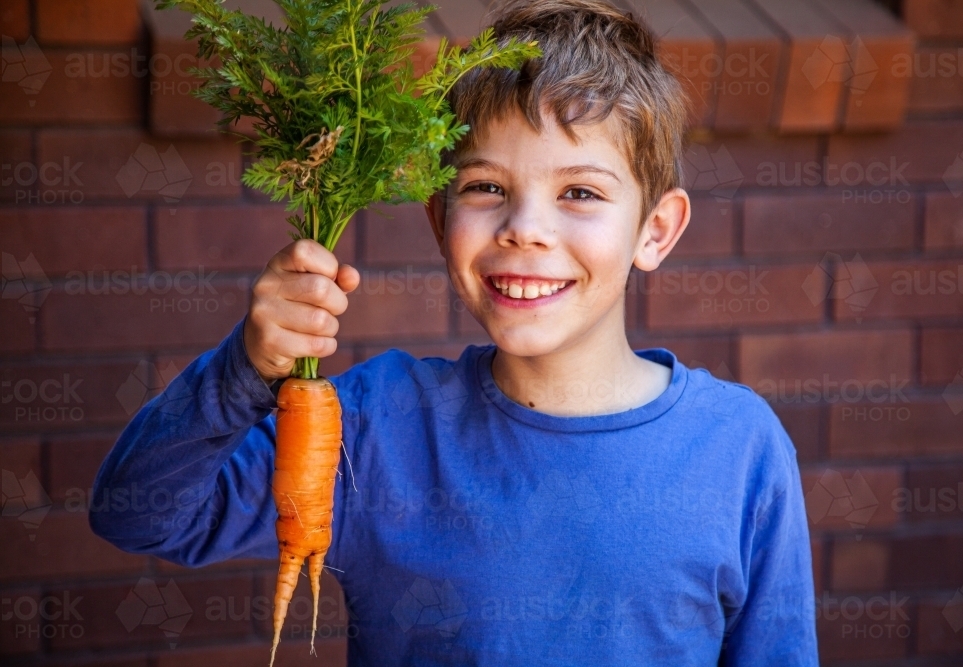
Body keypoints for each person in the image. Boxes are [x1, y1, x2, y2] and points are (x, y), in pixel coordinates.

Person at [90, 0, 819, 664]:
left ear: (654, 230)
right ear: (441, 221)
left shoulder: (740, 448)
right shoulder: (375, 426)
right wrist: (247, 368)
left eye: (579, 192)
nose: (525, 229)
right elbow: (138, 515)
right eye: (486, 188)